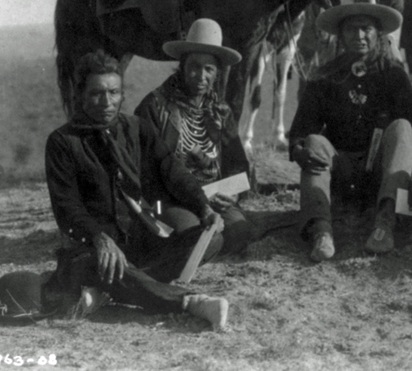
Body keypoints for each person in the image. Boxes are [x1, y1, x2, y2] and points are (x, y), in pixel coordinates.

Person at [44, 49, 229, 330]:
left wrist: (203, 206)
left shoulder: (136, 128)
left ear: (122, 94)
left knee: (211, 238)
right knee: (98, 264)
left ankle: (119, 287)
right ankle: (190, 302)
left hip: (139, 245)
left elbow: (172, 171)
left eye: (114, 92)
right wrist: (99, 238)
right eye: (97, 93)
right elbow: (66, 207)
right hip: (90, 250)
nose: (107, 102)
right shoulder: (62, 142)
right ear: (80, 94)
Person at [288, 0, 412, 261]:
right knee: (314, 141)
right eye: (351, 30)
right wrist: (300, 148)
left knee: (402, 127)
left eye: (366, 29)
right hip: (341, 171)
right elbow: (301, 130)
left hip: (382, 176)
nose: (359, 36)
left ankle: (385, 223)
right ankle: (321, 230)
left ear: (378, 33)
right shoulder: (325, 77)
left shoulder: (394, 75)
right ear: (341, 34)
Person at [135, 18, 255, 255]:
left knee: (241, 232)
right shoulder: (155, 106)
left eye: (209, 69)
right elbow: (149, 171)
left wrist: (232, 193)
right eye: (194, 66)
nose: (201, 75)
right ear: (182, 66)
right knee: (198, 238)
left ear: (217, 73)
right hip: (167, 198)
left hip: (213, 196)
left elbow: (237, 164)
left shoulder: (220, 111)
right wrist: (194, 200)